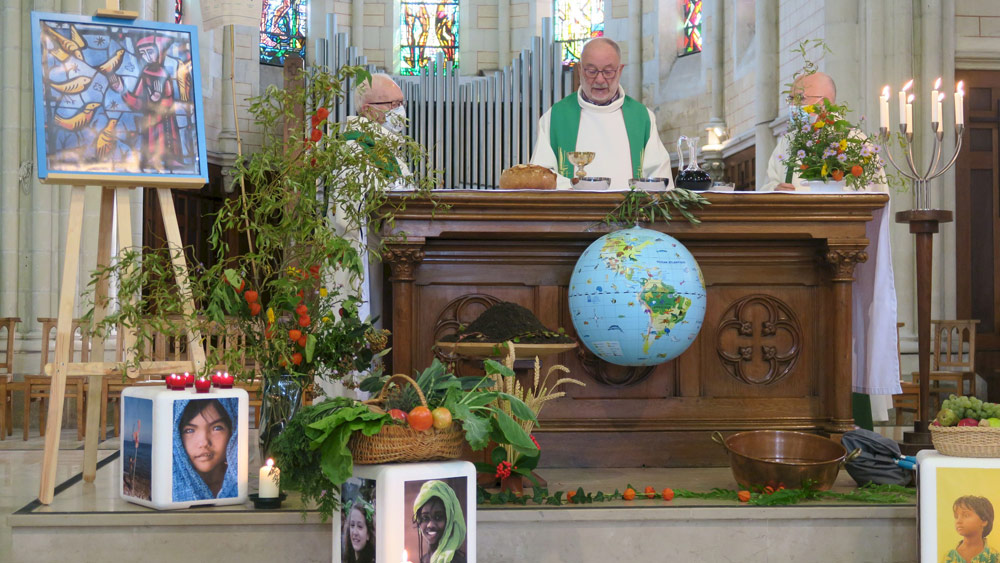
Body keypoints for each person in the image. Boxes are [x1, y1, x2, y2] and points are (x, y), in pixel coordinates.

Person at [759, 71, 901, 422]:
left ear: (829, 105)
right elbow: (769, 187)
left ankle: (849, 420)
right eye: (795, 101)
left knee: (843, 337)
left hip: (842, 262)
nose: (799, 108)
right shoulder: (787, 144)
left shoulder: (853, 142)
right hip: (796, 262)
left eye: (805, 101)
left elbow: (876, 194)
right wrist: (777, 193)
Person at [530, 37, 673, 191]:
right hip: (573, 213)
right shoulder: (555, 117)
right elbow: (539, 177)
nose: (599, 79)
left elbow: (659, 178)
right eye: (591, 71)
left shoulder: (642, 117)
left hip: (631, 215)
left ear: (620, 70)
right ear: (579, 70)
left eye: (608, 71)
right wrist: (574, 189)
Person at [111, 34, 186, 173]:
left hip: (166, 120)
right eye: (143, 53)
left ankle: (172, 159)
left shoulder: (164, 73)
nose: (147, 57)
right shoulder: (145, 72)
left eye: (150, 52)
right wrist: (122, 90)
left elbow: (169, 101)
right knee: (151, 140)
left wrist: (158, 98)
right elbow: (137, 102)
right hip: (150, 119)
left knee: (168, 139)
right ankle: (151, 159)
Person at [759, 71, 839, 192]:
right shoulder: (787, 142)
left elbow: (870, 189)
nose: (792, 105)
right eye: (791, 99)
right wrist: (775, 191)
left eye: (800, 98)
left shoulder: (854, 140)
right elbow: (766, 186)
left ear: (823, 103)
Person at [172, 398, 239, 501]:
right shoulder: (167, 491)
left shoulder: (241, 483)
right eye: (189, 430)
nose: (204, 443)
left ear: (232, 431)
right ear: (177, 437)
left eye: (217, 428)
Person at [412, 480, 466, 563]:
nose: (430, 525)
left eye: (438, 517)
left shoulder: (457, 560)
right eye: (425, 518)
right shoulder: (424, 559)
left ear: (450, 521)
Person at [943, 495, 997, 563]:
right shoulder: (949, 556)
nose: (958, 521)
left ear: (984, 521)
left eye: (966, 515)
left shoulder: (994, 557)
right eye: (956, 516)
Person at [342, 499, 376, 563]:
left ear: (368, 534)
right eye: (352, 525)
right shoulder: (347, 558)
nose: (355, 532)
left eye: (360, 526)